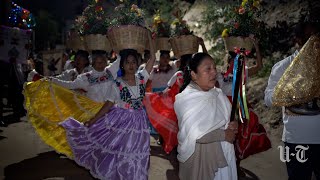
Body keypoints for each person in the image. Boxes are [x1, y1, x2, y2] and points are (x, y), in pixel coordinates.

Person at [59, 36, 156, 179]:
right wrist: (92, 120)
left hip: (140, 123)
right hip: (122, 123)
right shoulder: (117, 83)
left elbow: (153, 58)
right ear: (122, 65)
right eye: (127, 62)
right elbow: (108, 105)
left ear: (138, 64)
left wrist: (149, 37)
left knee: (140, 153)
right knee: (124, 153)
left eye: (134, 62)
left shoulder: (142, 78)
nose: (131, 65)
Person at [264, 20, 320, 180]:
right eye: (309, 37)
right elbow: (268, 99)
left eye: (316, 36)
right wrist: (289, 91)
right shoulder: (283, 67)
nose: (314, 41)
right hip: (296, 140)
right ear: (298, 40)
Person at [174, 52, 238, 180]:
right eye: (208, 69)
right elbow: (195, 134)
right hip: (204, 159)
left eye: (214, 68)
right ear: (193, 74)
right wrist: (224, 135)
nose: (214, 72)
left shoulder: (218, 93)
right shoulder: (186, 99)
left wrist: (233, 124)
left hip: (225, 154)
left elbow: (228, 117)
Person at [217, 37, 271, 177]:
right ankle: (226, 165)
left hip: (241, 107)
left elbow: (259, 66)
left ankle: (237, 163)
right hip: (225, 108)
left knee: (241, 135)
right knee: (228, 136)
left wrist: (256, 48)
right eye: (232, 61)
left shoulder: (244, 72)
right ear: (228, 62)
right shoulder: (220, 76)